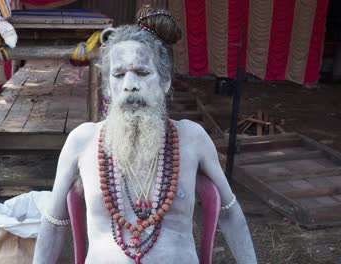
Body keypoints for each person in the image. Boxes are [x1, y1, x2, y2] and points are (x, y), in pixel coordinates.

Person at [33, 7, 257, 264]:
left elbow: (229, 213)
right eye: (118, 75)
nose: (129, 84)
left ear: (165, 82)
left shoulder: (191, 137)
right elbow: (53, 222)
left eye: (142, 72)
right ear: (108, 88)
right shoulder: (82, 140)